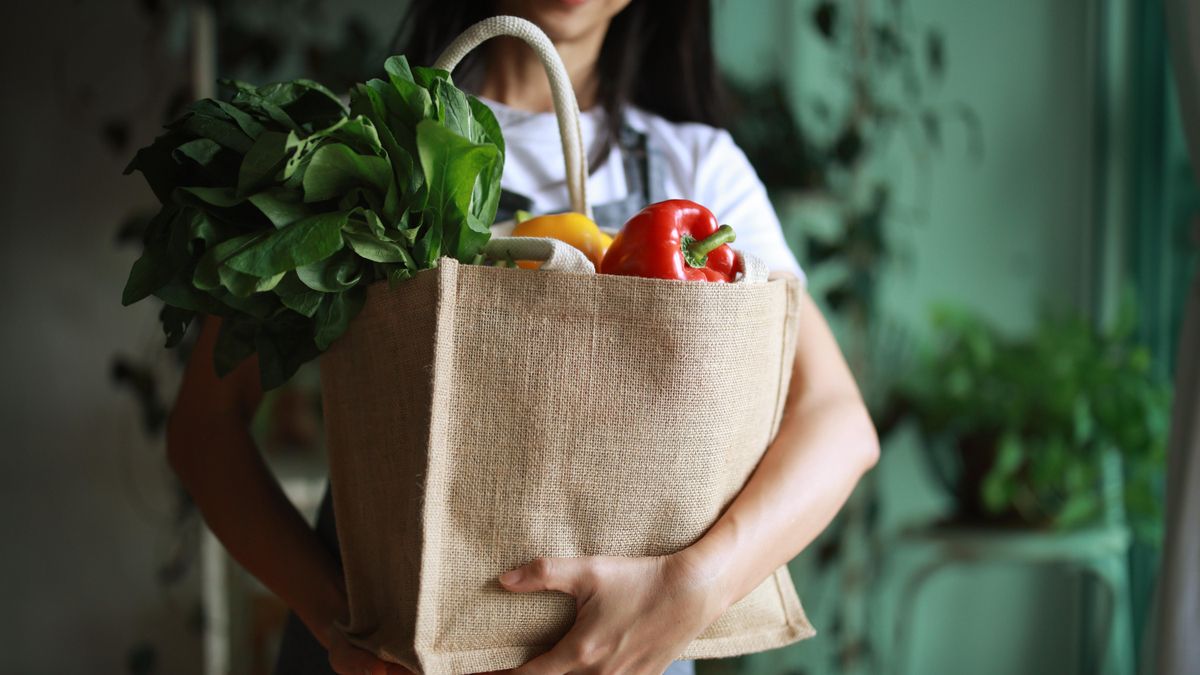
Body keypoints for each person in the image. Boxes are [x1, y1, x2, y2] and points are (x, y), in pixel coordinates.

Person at [166, 1, 880, 674]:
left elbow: (838, 422)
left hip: (630, 650)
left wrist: (692, 586)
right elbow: (206, 426)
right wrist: (336, 623)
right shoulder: (353, 149)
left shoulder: (698, 170)